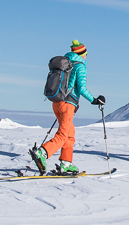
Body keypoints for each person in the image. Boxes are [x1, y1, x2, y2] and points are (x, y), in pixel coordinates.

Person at [31, 40, 105, 174]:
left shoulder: (66, 65)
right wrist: (94, 100)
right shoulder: (80, 66)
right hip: (68, 104)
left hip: (57, 102)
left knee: (70, 134)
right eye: (86, 54)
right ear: (82, 54)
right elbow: (82, 88)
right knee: (63, 134)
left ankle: (66, 163)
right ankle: (43, 152)